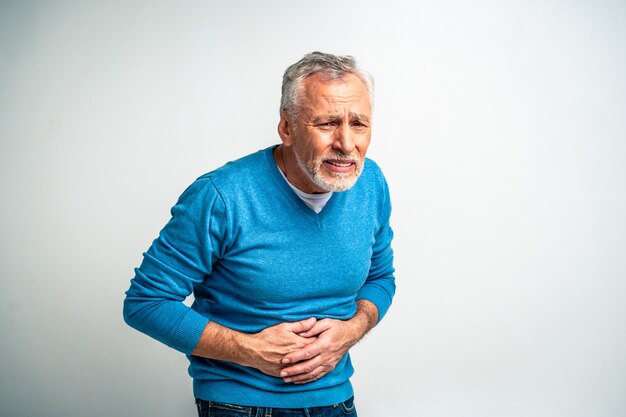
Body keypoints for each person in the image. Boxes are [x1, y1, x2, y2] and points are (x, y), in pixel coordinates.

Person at [123, 51, 396, 417]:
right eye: (327, 123)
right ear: (287, 127)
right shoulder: (221, 196)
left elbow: (380, 278)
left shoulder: (371, 183)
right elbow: (146, 303)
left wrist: (353, 329)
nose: (346, 143)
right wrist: (250, 349)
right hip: (239, 405)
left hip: (336, 401)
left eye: (359, 124)